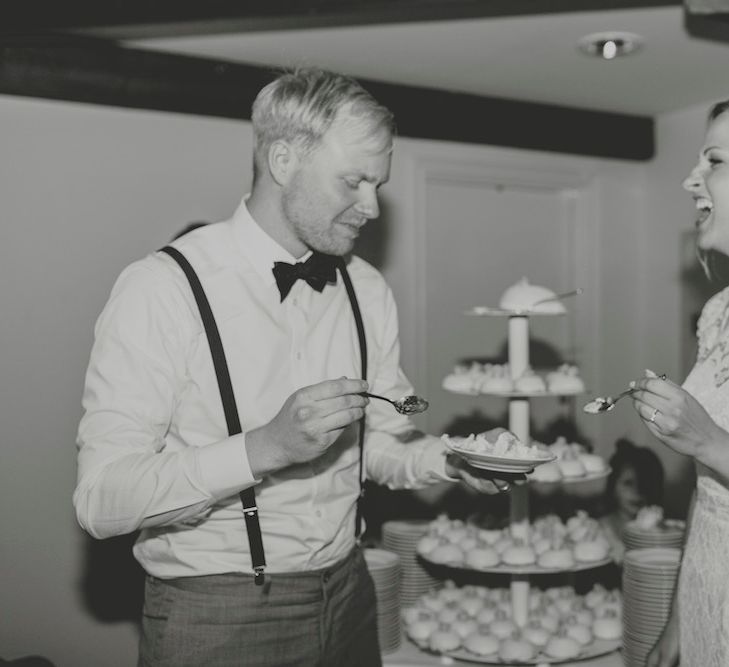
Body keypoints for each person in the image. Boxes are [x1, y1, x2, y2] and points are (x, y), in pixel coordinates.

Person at [73, 67, 519, 667]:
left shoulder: (366, 288)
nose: (372, 207)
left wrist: (453, 460)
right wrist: (266, 448)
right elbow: (102, 500)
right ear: (283, 160)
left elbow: (381, 443)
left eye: (378, 184)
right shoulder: (163, 289)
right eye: (355, 181)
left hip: (351, 593)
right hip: (214, 611)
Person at [631, 99, 729, 667]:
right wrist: (676, 614)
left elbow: (710, 449)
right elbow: (706, 484)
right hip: (707, 577)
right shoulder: (717, 311)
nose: (691, 179)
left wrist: (709, 438)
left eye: (713, 160)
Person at [598, 438, 665, 565]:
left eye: (644, 483)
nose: (637, 491)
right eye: (628, 483)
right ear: (613, 486)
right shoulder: (600, 529)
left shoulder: (661, 529)